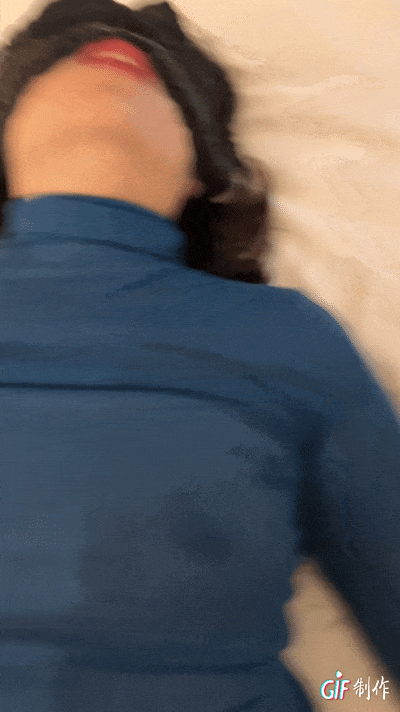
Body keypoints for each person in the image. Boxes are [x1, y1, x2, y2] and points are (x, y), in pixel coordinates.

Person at [1, 2, 400, 711]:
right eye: (58, 54)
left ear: (197, 178)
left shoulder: (287, 335)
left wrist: (353, 692)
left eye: (170, 83)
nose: (122, 48)